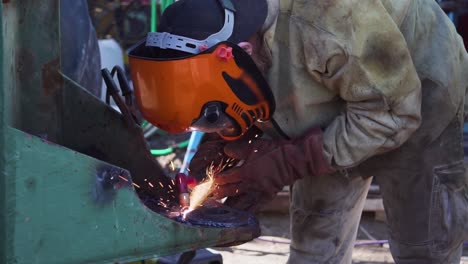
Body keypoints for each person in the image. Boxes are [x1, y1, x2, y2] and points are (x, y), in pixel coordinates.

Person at [128, 0, 468, 263]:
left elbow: (394, 112)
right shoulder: (232, 33)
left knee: (422, 248)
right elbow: (250, 88)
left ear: (240, 53)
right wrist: (225, 144)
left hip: (417, 97)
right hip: (332, 80)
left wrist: (288, 162)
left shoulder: (329, 19)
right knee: (314, 245)